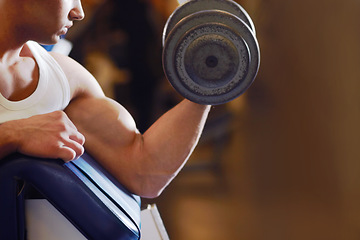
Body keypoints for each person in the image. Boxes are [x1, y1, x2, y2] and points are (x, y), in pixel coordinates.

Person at [0, 0, 211, 198]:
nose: (79, 12)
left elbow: (143, 172)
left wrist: (206, 86)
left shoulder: (64, 77)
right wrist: (13, 134)